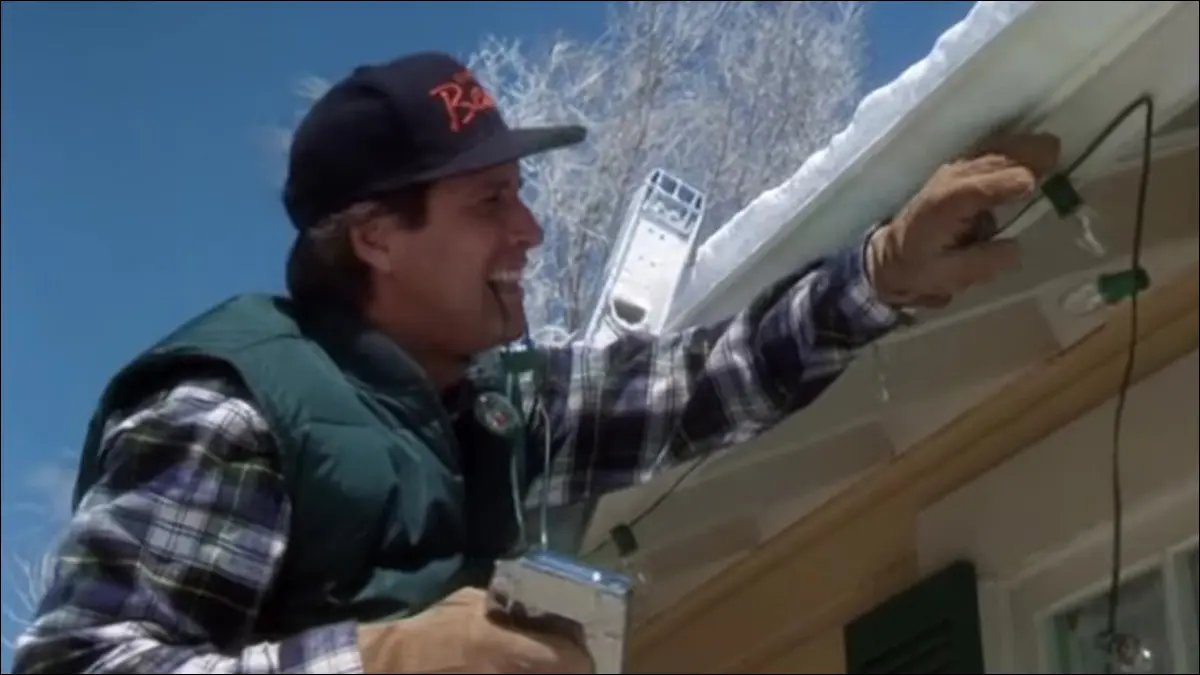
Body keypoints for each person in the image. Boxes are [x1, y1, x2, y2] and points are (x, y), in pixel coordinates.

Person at [12, 51, 1059, 674]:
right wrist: (378, 661)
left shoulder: (511, 411)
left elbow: (708, 379)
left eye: (520, 195)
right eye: (488, 205)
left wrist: (885, 271)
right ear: (375, 236)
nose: (532, 234)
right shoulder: (231, 412)